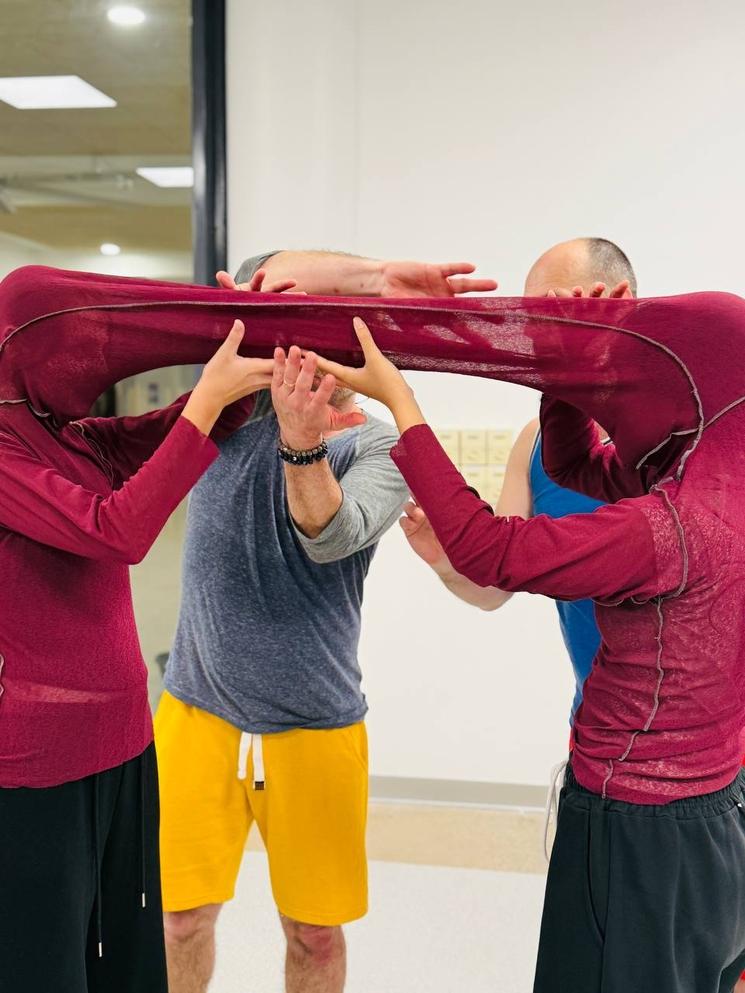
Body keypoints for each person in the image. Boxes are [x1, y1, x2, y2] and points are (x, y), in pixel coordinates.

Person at [312, 286, 745, 992]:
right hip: (716, 808)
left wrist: (402, 402)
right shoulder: (715, 483)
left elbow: (488, 551)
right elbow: (573, 467)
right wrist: (564, 367)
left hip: (637, 823)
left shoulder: (670, 527)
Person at [155, 251, 496, 993]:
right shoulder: (226, 406)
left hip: (315, 723)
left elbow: (329, 536)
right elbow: (270, 266)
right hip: (195, 711)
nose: (308, 349)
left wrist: (302, 443)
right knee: (179, 918)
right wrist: (379, 275)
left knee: (313, 933)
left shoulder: (378, 444)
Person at [0, 276, 291, 990]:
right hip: (39, 763)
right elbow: (116, 531)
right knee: (45, 961)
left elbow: (191, 428)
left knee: (124, 955)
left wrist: (246, 355)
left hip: (125, 743)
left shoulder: (69, 435)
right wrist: (210, 397)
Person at [400, 238, 635, 725]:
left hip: (712, 749)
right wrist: (447, 561)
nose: (539, 333)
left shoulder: (692, 434)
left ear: (619, 302)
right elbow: (494, 588)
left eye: (556, 309)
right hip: (597, 734)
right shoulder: (535, 442)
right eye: (533, 317)